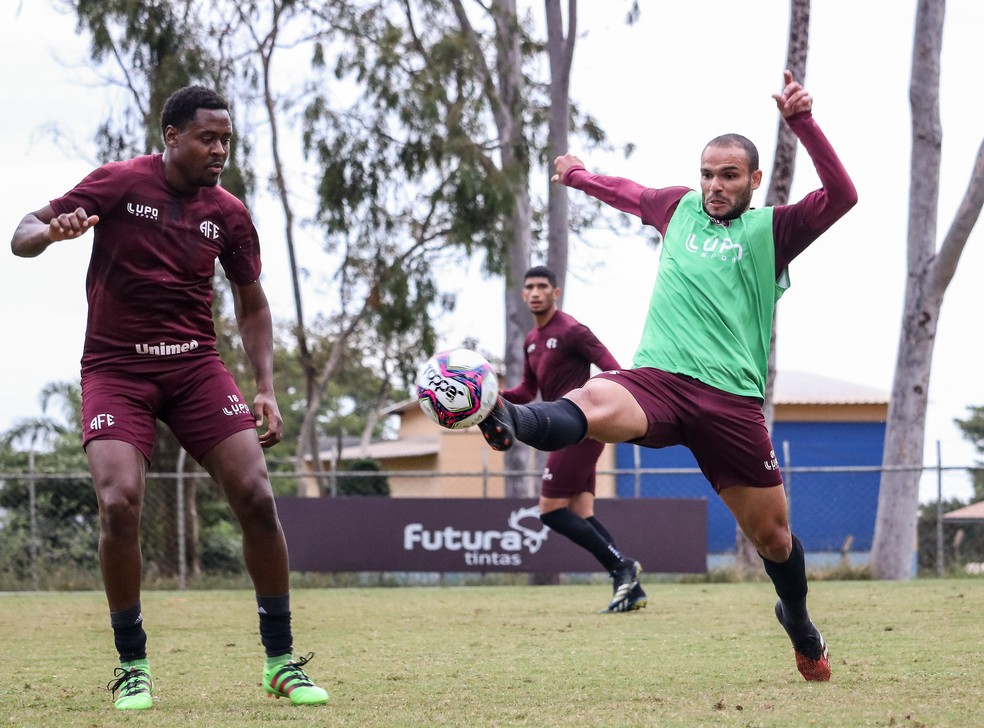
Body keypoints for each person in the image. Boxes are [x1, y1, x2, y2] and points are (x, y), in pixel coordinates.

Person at [478, 70, 857, 682]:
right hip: (658, 380)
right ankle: (505, 416)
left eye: (728, 175)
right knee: (594, 398)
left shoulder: (772, 230)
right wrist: (576, 175)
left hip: (731, 405)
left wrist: (803, 125)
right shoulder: (678, 208)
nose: (713, 185)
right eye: (707, 173)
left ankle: (798, 618)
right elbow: (625, 189)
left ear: (753, 181)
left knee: (777, 541)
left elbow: (843, 196)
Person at [9, 86, 328, 709]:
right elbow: (21, 234)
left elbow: (252, 301)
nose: (219, 150)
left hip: (195, 369)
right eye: (208, 138)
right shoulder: (119, 183)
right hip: (116, 369)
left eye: (226, 140)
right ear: (172, 136)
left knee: (259, 497)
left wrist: (264, 387)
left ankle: (281, 661)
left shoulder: (230, 212)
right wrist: (52, 233)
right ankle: (132, 665)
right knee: (119, 502)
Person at [502, 265, 646, 613]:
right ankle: (630, 588)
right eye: (530, 287)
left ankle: (623, 566)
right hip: (564, 429)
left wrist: (601, 405)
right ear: (523, 296)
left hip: (579, 429)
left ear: (556, 292)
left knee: (551, 512)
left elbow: (614, 369)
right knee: (581, 512)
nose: (535, 292)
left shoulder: (572, 330)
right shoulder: (531, 340)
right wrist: (491, 396)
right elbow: (527, 391)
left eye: (542, 286)